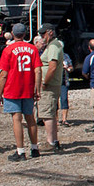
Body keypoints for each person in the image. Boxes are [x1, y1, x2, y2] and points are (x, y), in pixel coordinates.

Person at [0, 23, 43, 162]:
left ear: (13, 33)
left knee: (16, 119)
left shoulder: (8, 50)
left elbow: (3, 74)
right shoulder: (33, 49)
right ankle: (35, 148)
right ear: (25, 34)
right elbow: (38, 70)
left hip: (12, 88)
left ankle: (20, 151)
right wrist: (37, 88)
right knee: (30, 118)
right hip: (28, 88)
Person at [37, 23, 64, 151]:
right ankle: (54, 141)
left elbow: (52, 67)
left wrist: (44, 82)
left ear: (50, 32)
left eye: (43, 34)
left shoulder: (53, 46)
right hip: (51, 84)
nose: (42, 36)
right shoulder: (53, 45)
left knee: (47, 114)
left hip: (49, 85)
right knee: (50, 113)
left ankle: (51, 142)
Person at [59, 52, 72, 127]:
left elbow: (71, 67)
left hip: (64, 81)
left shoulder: (66, 56)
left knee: (64, 99)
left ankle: (64, 119)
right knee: (54, 101)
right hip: (54, 81)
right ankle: (56, 119)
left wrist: (67, 68)